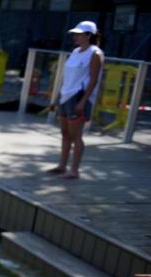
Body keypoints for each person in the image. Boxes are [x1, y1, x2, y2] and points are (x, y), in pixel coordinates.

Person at [47, 21, 103, 180]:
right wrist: (58, 97)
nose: (76, 36)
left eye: (79, 34)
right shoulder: (75, 52)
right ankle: (62, 165)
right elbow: (68, 76)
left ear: (88, 36)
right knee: (65, 133)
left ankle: (74, 170)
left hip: (78, 97)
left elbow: (93, 80)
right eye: (75, 34)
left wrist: (83, 101)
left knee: (76, 135)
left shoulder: (95, 53)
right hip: (66, 96)